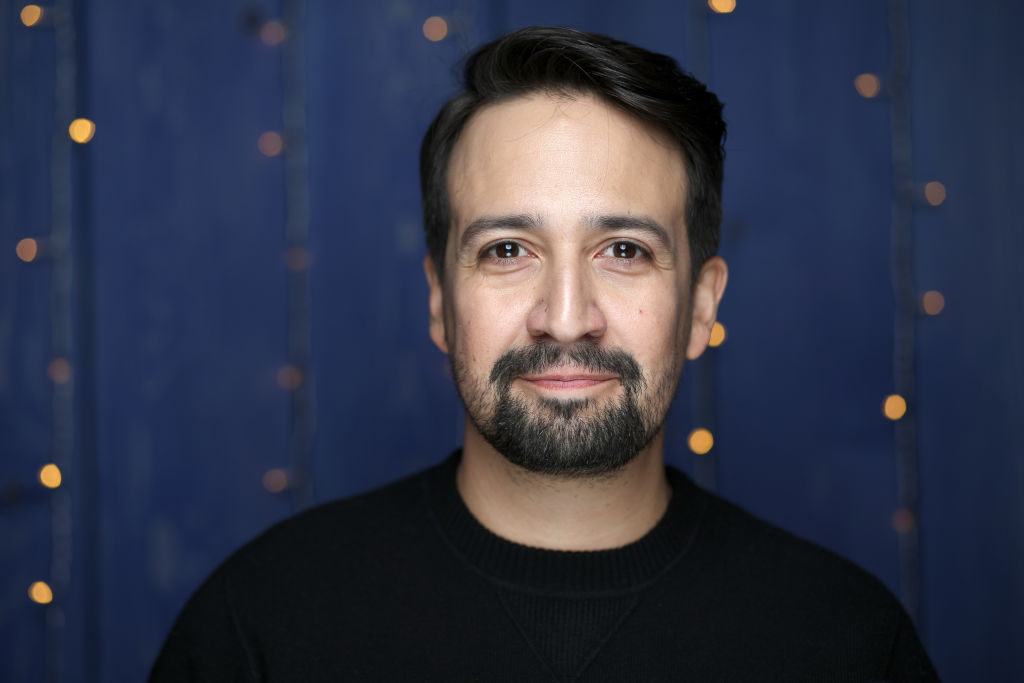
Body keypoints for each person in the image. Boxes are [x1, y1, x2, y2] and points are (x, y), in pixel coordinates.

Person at [151, 26, 939, 681]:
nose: (565, 319)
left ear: (701, 306)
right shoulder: (262, 624)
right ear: (439, 301)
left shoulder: (846, 642)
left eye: (624, 249)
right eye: (507, 250)